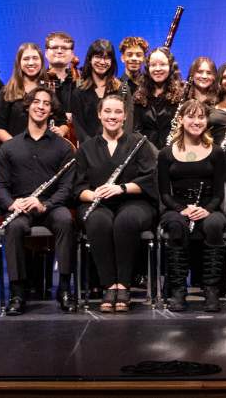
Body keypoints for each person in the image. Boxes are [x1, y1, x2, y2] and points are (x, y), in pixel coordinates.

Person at [0, 86, 78, 314]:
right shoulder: (10, 147)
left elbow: (67, 188)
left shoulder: (63, 147)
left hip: (51, 206)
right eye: (37, 102)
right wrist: (12, 204)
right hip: (20, 207)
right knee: (14, 227)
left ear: (52, 110)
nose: (41, 107)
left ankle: (64, 289)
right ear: (28, 106)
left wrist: (45, 204)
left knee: (65, 222)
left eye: (47, 103)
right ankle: (18, 293)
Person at [77, 93, 159, 313]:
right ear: (99, 114)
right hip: (98, 203)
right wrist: (92, 195)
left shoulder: (139, 143)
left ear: (125, 116)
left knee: (126, 220)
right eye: (107, 111)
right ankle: (108, 285)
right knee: (97, 222)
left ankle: (123, 284)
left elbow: (150, 179)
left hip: (134, 201)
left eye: (118, 112)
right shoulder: (86, 148)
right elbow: (77, 187)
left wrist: (121, 188)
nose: (112, 116)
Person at [158, 99, 226, 312]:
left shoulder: (216, 152)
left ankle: (211, 289)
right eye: (190, 116)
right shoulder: (166, 153)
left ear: (207, 121)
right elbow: (164, 194)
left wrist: (206, 209)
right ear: (181, 120)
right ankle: (178, 290)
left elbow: (218, 193)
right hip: (176, 208)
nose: (196, 121)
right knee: (177, 226)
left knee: (214, 225)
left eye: (201, 117)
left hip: (208, 207)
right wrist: (183, 209)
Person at [0, 42, 70, 144]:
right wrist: (15, 146)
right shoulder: (8, 90)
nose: (31, 63)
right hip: (16, 151)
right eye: (26, 59)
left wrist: (61, 131)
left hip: (45, 148)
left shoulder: (51, 88)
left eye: (35, 58)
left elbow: (63, 122)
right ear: (19, 63)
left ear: (41, 61)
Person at [72, 39, 127, 143]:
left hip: (118, 148)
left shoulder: (122, 89)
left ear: (112, 61)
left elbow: (127, 123)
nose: (102, 62)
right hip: (90, 150)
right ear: (89, 59)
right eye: (98, 57)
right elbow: (79, 127)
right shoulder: (78, 92)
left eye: (107, 58)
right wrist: (93, 150)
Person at [133, 47, 184, 147]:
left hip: (173, 153)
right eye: (153, 65)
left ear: (171, 67)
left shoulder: (182, 95)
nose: (157, 69)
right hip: (145, 154)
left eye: (162, 64)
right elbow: (136, 131)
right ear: (148, 68)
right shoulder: (140, 95)